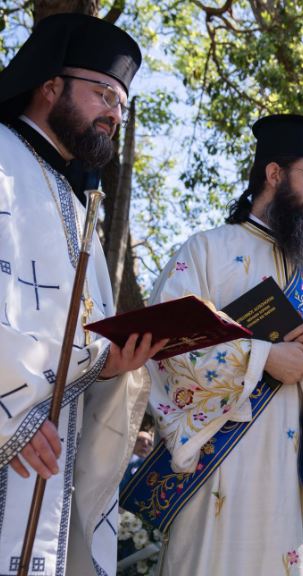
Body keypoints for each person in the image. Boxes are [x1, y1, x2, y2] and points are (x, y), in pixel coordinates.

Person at [121, 114, 303, 575]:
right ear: (273, 174)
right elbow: (165, 349)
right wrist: (265, 358)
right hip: (219, 474)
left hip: (291, 484)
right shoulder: (206, 251)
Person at [0, 13, 165, 575]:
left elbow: (82, 349)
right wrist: (11, 414)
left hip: (52, 466)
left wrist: (115, 367)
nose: (115, 114)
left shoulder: (78, 209)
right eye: (103, 95)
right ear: (50, 87)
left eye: (121, 104)